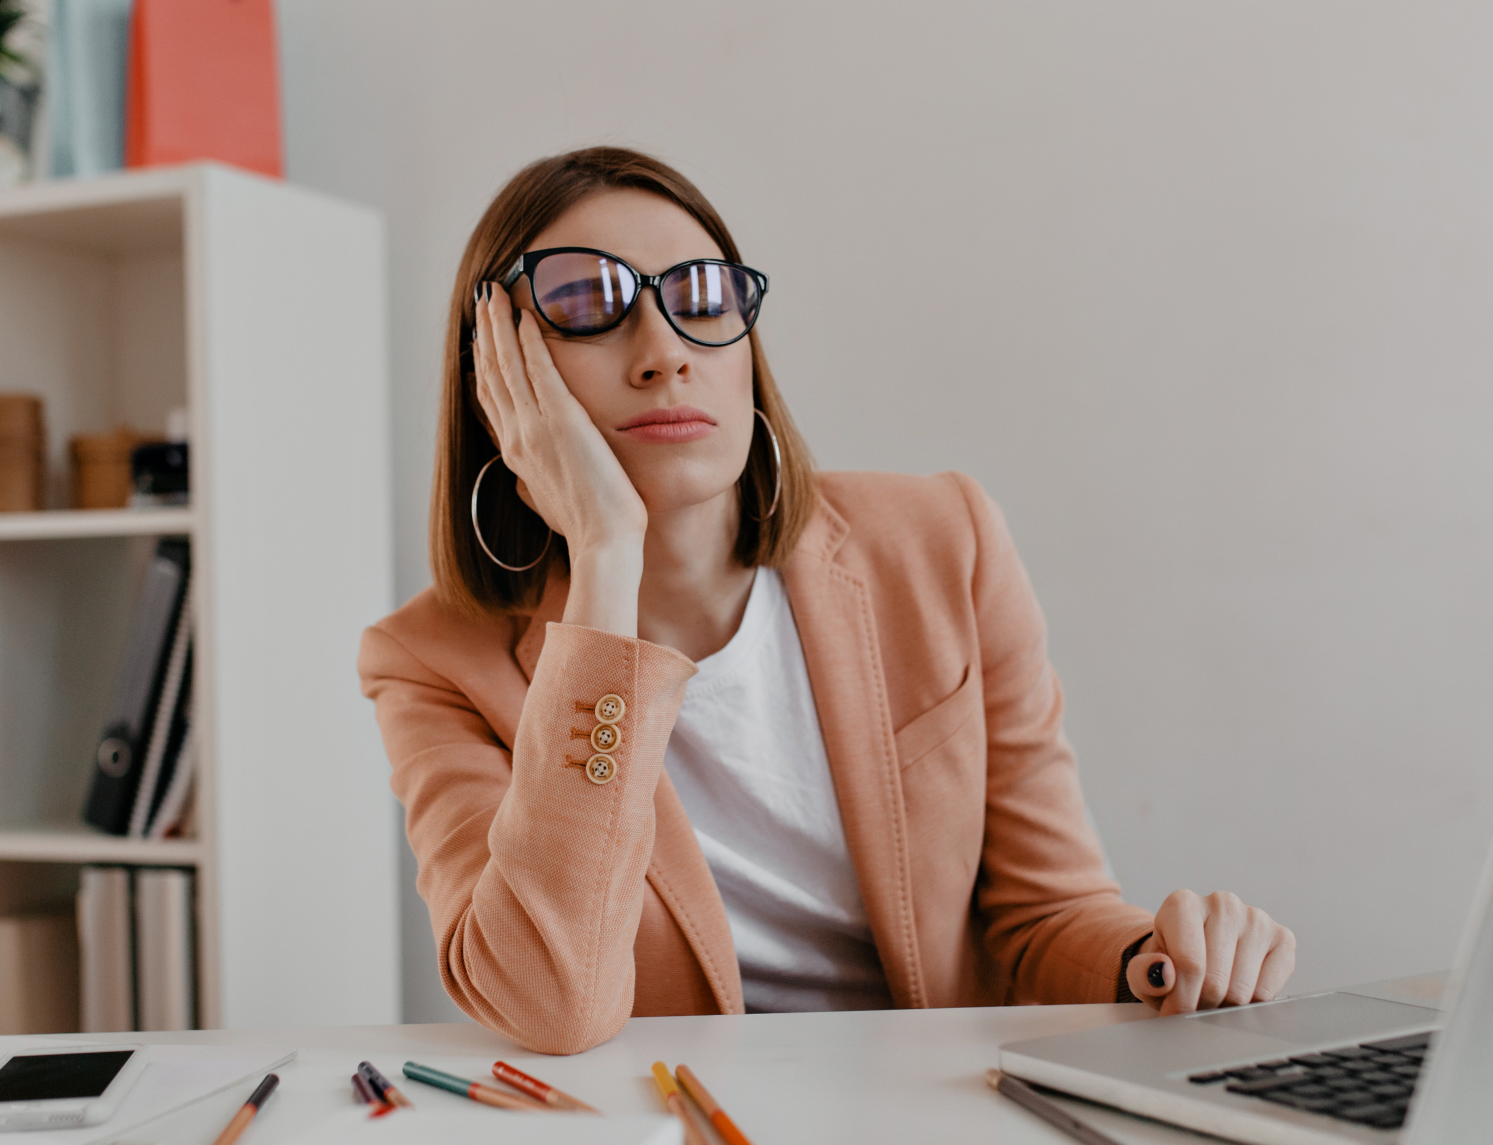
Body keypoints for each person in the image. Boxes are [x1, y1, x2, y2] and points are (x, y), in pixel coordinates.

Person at [359, 147, 1295, 1055]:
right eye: (586, 304)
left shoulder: (943, 541)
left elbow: (1045, 915)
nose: (664, 353)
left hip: (938, 1120)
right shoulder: (431, 661)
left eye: (701, 298)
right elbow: (546, 1002)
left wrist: (1155, 962)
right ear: (498, 378)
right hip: (672, 1140)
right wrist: (605, 558)